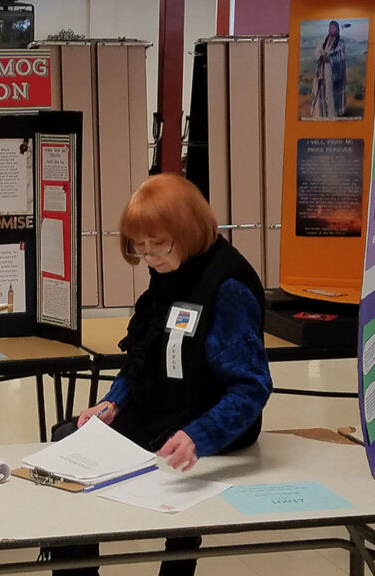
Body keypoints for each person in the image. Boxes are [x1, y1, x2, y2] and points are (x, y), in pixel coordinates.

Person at [49, 174, 273, 576]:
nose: (149, 258)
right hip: (166, 402)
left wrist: (200, 435)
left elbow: (251, 386)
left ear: (187, 232)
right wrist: (112, 402)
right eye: (141, 247)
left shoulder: (226, 286)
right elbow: (145, 354)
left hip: (209, 415)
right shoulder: (170, 270)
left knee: (152, 459)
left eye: (158, 246)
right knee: (70, 440)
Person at [311, 20, 346, 118]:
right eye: (331, 27)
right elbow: (316, 54)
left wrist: (326, 57)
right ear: (328, 29)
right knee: (320, 95)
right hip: (321, 73)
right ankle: (320, 114)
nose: (332, 29)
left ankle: (331, 115)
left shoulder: (341, 43)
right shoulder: (323, 41)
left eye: (335, 28)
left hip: (332, 74)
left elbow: (338, 57)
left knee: (330, 95)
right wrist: (322, 57)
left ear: (338, 30)